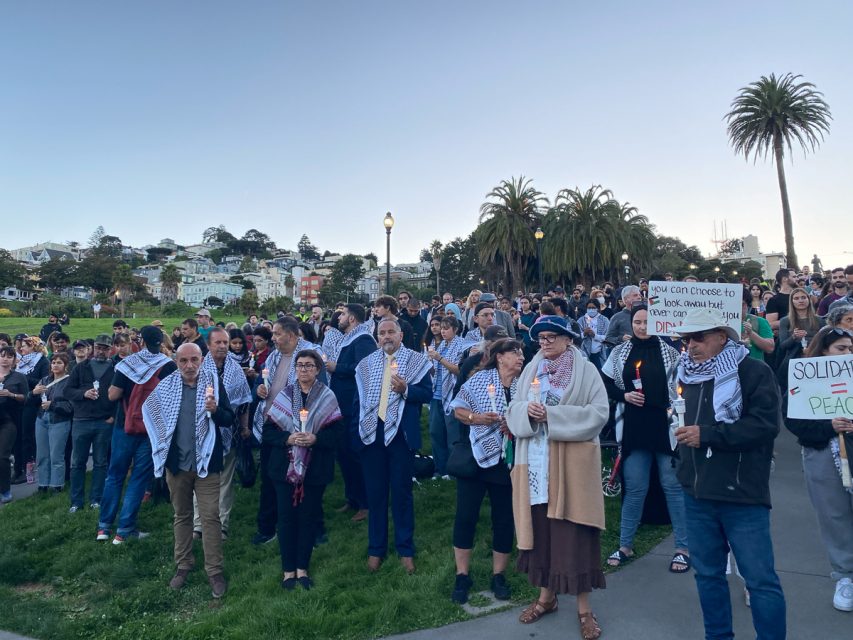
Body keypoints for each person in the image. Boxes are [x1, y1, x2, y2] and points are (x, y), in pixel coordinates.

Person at [672, 308, 786, 640]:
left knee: (759, 580)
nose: (691, 345)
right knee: (708, 576)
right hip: (696, 493)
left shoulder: (752, 372)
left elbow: (765, 426)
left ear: (722, 337)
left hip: (741, 493)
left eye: (698, 337)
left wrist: (707, 435)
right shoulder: (685, 374)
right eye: (686, 338)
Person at [505, 315, 608, 640]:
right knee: (543, 534)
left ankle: (584, 609)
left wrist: (553, 415)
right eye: (541, 338)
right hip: (535, 464)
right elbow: (514, 409)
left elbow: (598, 413)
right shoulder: (531, 370)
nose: (545, 342)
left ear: (568, 340)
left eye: (552, 337)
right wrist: (528, 415)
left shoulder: (585, 371)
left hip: (572, 467)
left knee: (574, 535)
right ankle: (546, 598)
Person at [143, 342, 234, 598]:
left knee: (210, 518)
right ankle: (183, 565)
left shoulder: (213, 385)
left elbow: (229, 418)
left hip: (206, 465)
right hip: (178, 465)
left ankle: (214, 570)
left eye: (194, 360)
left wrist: (216, 411)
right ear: (176, 361)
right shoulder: (167, 387)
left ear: (202, 360)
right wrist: (161, 449)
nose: (189, 366)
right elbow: (152, 415)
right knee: (181, 515)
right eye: (184, 361)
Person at [602, 306, 689, 573]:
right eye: (637, 322)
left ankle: (683, 547)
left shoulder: (671, 353)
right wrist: (624, 395)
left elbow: (680, 385)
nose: (642, 327)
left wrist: (673, 407)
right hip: (634, 426)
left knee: (672, 486)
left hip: (664, 425)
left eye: (647, 322)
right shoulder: (619, 353)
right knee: (635, 486)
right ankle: (625, 544)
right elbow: (605, 383)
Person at [449, 338, 523, 604]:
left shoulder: (523, 385)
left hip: (506, 461)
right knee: (466, 516)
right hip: (476, 459)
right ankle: (462, 575)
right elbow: (457, 408)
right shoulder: (481, 379)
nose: (520, 356)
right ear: (500, 357)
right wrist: (476, 419)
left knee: (503, 519)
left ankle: (498, 575)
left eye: (521, 352)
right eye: (515, 352)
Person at [355, 317, 432, 574]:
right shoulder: (366, 365)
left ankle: (405, 549)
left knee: (401, 494)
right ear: (377, 337)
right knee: (375, 494)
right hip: (372, 436)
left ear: (400, 335)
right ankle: (375, 550)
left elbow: (427, 394)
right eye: (382, 333)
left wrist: (407, 389)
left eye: (391, 332)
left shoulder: (416, 361)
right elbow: (360, 399)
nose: (387, 336)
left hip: (401, 436)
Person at [784, 326, 853, 612]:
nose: (848, 354)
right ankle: (845, 575)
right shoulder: (806, 377)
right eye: (841, 349)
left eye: (851, 348)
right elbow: (794, 421)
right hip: (822, 454)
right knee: (834, 516)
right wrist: (829, 426)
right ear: (824, 351)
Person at [263, 349, 343, 590]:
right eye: (299, 366)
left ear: (318, 369)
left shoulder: (327, 396)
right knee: (286, 518)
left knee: (307, 517)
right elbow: (268, 431)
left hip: (314, 468)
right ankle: (288, 569)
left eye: (309, 366)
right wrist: (288, 438)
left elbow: (337, 434)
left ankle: (302, 567)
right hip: (285, 468)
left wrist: (316, 439)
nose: (304, 370)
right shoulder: (285, 395)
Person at [97, 326, 176, 544]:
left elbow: (113, 395)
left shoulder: (127, 364)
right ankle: (124, 530)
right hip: (150, 429)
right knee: (139, 479)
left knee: (114, 476)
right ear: (161, 342)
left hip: (124, 425)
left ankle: (103, 528)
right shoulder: (167, 365)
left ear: (140, 341)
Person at [251, 318, 326, 545]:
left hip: (301, 428)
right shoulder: (273, 357)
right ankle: (267, 527)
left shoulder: (311, 356)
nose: (272, 338)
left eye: (276, 334)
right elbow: (262, 383)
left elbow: (320, 391)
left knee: (306, 480)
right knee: (269, 478)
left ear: (292, 335)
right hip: (273, 427)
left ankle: (314, 529)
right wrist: (260, 389)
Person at [192, 327, 252, 540]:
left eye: (225, 343)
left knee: (225, 481)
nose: (222, 346)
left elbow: (244, 402)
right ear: (208, 345)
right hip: (202, 431)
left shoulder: (235, 369)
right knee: (202, 478)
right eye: (218, 343)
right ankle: (199, 524)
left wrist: (245, 427)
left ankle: (221, 524)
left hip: (230, 429)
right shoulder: (198, 367)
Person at [326, 304, 377, 522]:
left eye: (344, 314)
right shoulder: (349, 338)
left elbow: (363, 367)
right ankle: (352, 498)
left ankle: (366, 503)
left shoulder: (363, 339)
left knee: (355, 454)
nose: (339, 317)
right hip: (342, 405)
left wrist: (336, 367)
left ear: (353, 319)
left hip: (354, 405)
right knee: (344, 453)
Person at [65, 334, 117, 512]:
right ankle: (76, 501)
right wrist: (83, 394)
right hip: (81, 420)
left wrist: (113, 416)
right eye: (98, 347)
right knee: (77, 462)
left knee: (100, 462)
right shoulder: (81, 367)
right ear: (93, 348)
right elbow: (68, 391)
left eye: (105, 348)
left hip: (104, 421)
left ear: (111, 350)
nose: (101, 351)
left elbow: (122, 395)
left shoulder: (115, 369)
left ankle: (96, 499)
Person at [426, 316, 464, 479]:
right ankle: (439, 468)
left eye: (446, 328)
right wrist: (429, 365)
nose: (442, 331)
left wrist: (439, 359)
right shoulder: (440, 346)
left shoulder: (461, 345)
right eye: (441, 327)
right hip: (436, 394)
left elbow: (459, 371)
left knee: (452, 435)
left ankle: (453, 470)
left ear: (455, 330)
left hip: (452, 395)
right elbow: (436, 372)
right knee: (436, 433)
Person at [29, 352, 73, 493]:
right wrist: (34, 393)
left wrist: (53, 405)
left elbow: (71, 407)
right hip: (41, 419)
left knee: (56, 455)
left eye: (59, 362)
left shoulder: (69, 382)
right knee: (42, 454)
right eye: (53, 362)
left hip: (59, 421)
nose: (55, 365)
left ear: (65, 366)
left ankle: (57, 485)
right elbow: (30, 401)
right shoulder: (44, 380)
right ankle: (43, 484)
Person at [14, 335, 50, 484]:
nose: (21, 348)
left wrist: (23, 378)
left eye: (25, 346)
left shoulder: (42, 361)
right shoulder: (20, 362)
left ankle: (28, 467)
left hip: (34, 404)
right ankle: (20, 467)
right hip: (20, 401)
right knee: (21, 436)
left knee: (28, 436)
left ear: (33, 347)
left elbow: (45, 382)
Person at [0, 345, 29, 503]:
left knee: (2, 456)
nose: (5, 359)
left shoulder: (18, 377)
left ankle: (5, 490)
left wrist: (11, 394)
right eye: (2, 355)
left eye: (9, 356)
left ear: (14, 360)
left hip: (8, 420)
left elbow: (26, 398)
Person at [740, 289, 775, 362]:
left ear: (747, 305)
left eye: (742, 304)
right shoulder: (720, 323)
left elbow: (770, 348)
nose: (739, 307)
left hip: (754, 369)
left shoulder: (760, 321)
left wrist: (751, 333)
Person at [578, 299, 609, 370]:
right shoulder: (581, 320)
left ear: (597, 308)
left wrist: (595, 336)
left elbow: (608, 337)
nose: (591, 310)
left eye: (593, 308)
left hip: (599, 352)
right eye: (589, 308)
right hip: (585, 352)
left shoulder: (604, 320)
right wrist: (584, 333)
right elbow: (576, 337)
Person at [765, 268, 796, 334]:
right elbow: (770, 324)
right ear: (785, 279)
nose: (797, 279)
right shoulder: (774, 300)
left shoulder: (800, 296)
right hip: (786, 336)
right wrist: (795, 320)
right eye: (794, 277)